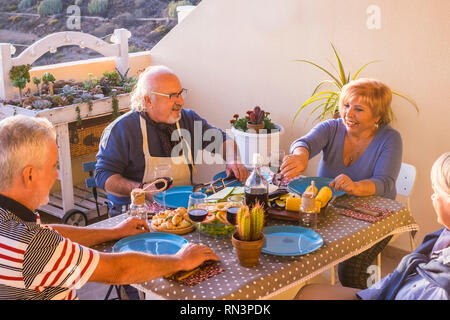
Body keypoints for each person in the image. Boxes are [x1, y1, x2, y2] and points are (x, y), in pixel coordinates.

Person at [0, 115, 218, 300]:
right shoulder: (33, 247)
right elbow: (118, 270)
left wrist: (113, 232)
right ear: (29, 175)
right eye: (53, 166)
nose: (56, 175)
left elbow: (50, 234)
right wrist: (180, 260)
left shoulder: (12, 222)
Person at [281, 78, 402, 288]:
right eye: (346, 105)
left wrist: (355, 187)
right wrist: (300, 156)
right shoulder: (331, 128)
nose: (348, 113)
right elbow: (304, 143)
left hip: (375, 216)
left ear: (378, 116)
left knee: (351, 270)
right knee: (290, 239)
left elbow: (385, 182)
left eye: (359, 109)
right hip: (331, 212)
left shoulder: (390, 139)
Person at [95, 65, 248, 217]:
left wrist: (233, 159)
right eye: (172, 96)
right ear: (148, 100)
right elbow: (103, 176)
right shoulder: (122, 129)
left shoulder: (188, 119)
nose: (180, 101)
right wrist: (141, 189)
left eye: (180, 93)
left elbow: (222, 139)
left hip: (183, 210)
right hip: (136, 213)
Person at [295, 152, 450, 300]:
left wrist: (355, 186)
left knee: (348, 269)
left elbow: (385, 182)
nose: (433, 197)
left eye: (437, 191)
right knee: (307, 291)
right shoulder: (443, 236)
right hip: (386, 291)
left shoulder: (439, 290)